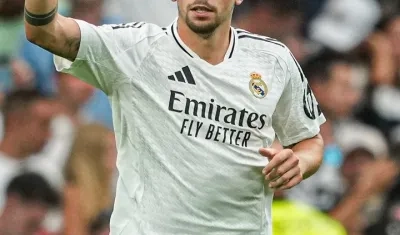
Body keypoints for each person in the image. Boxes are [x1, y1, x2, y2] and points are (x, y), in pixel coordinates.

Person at [24, 0, 325, 234]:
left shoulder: (273, 60)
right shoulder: (134, 50)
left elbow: (310, 140)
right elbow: (43, 29)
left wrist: (299, 162)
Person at [63, 124, 117, 235]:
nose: (117, 157)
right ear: (93, 156)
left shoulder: (107, 190)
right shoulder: (74, 194)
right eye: (110, 151)